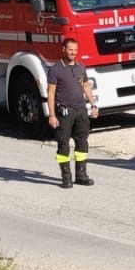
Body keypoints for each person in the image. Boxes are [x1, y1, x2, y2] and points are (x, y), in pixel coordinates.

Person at [45, 37, 96, 188]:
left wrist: (93, 105)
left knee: (82, 142)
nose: (73, 53)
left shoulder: (80, 67)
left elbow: (86, 86)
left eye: (75, 50)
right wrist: (52, 115)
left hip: (81, 110)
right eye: (70, 50)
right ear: (63, 50)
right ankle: (66, 178)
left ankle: (81, 175)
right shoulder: (55, 70)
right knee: (63, 145)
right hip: (64, 113)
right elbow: (51, 94)